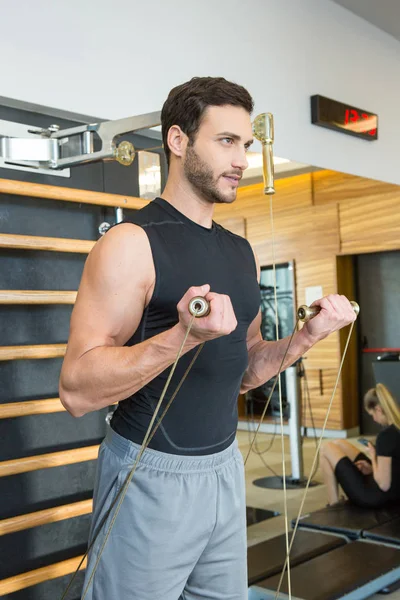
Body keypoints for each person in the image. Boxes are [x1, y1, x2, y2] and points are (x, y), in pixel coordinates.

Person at [59, 76, 356, 600]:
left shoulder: (240, 252)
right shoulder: (132, 244)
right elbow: (77, 389)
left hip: (223, 468)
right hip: (149, 474)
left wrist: (308, 336)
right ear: (178, 140)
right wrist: (182, 337)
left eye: (246, 144)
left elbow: (243, 372)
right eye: (226, 141)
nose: (241, 158)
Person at [320, 383, 400, 508]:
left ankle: (333, 505)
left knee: (326, 449)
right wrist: (372, 468)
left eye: (372, 414)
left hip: (376, 497)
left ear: (378, 409)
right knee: (339, 443)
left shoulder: (386, 437)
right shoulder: (396, 429)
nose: (374, 419)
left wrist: (373, 457)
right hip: (393, 491)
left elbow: (384, 485)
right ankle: (334, 503)